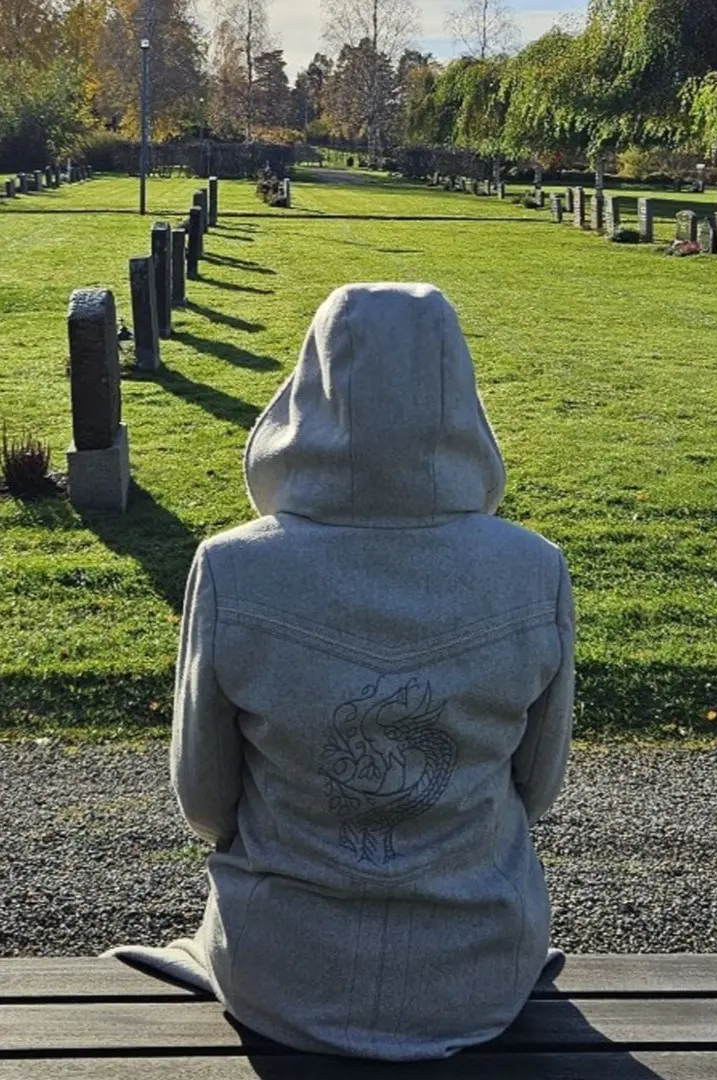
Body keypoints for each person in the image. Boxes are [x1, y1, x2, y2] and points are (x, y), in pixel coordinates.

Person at [107, 282, 574, 1061]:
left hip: (280, 976)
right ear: (458, 390)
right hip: (479, 975)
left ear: (309, 383)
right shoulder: (533, 570)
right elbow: (538, 789)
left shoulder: (232, 568)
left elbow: (205, 802)